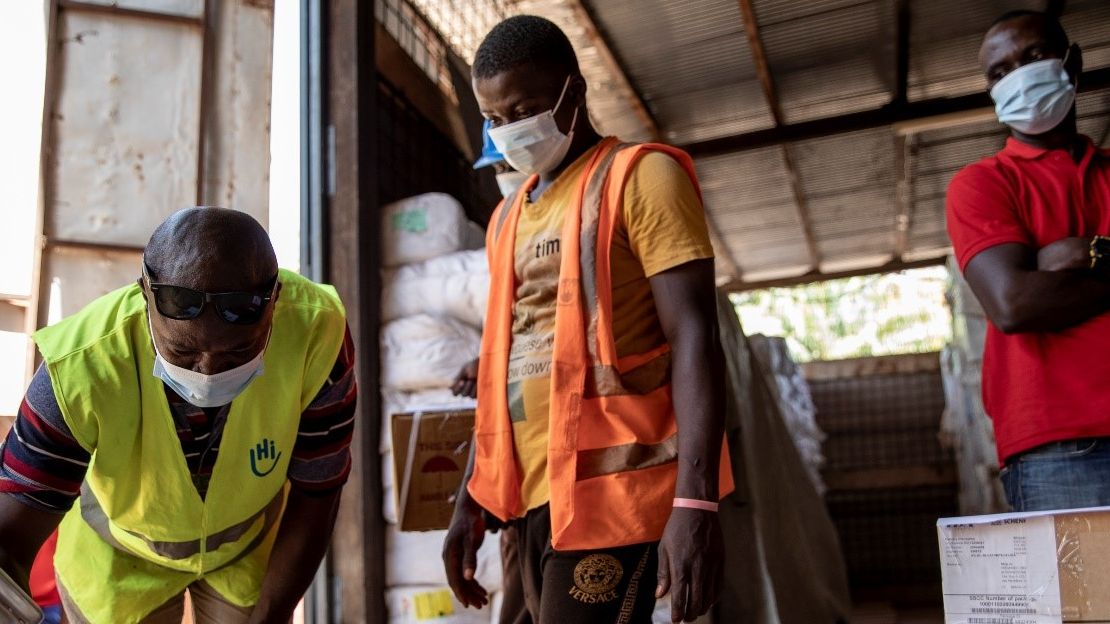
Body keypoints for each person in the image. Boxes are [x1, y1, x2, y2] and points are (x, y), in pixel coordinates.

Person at [443, 15, 733, 624]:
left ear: (573, 91)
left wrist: (696, 500)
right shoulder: (507, 219)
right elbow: (504, 367)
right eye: (495, 119)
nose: (509, 131)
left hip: (614, 498)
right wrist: (472, 492)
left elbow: (695, 338)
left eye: (524, 109)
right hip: (528, 499)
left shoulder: (642, 177)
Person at [0, 207, 356, 623]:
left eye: (238, 354)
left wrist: (274, 612)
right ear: (144, 294)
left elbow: (318, 492)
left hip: (242, 549)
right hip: (117, 559)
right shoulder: (80, 367)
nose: (206, 372)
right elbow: (12, 537)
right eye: (182, 352)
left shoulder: (317, 333)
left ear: (275, 302)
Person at [947, 10, 1110, 512]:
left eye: (1034, 56)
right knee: (1087, 596)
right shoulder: (983, 185)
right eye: (1000, 72)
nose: (1018, 76)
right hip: (1060, 446)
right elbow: (1014, 304)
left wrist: (1088, 255)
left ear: (1071, 64)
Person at [462, 121, 532, 624]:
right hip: (520, 451)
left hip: (546, 448)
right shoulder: (506, 227)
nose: (503, 176)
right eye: (498, 168)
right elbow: (507, 329)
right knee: (520, 587)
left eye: (509, 165)